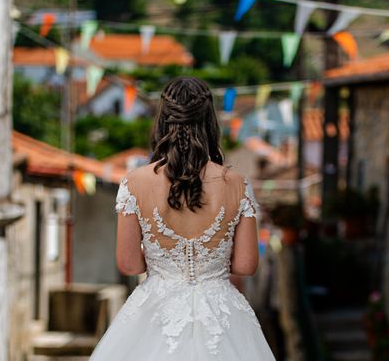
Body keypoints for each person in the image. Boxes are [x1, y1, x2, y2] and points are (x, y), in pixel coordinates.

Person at [90, 77, 276, 360]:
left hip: (156, 314)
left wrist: (161, 262)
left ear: (163, 121)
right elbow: (246, 264)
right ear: (210, 122)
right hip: (221, 314)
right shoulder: (237, 184)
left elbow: (128, 264)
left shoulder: (134, 183)